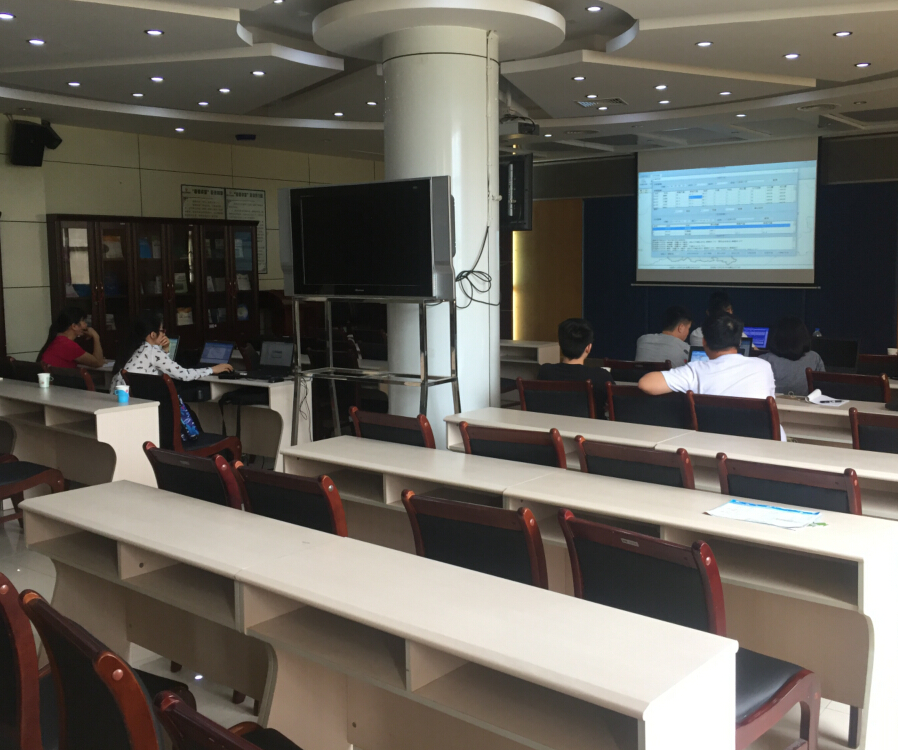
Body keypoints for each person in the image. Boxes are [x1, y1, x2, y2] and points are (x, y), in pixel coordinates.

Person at [638, 313, 777, 402]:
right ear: (739, 342)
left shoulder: (695, 370)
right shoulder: (764, 366)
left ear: (704, 342)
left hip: (713, 438)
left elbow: (646, 384)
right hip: (764, 439)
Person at [110, 310, 232, 390]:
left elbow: (157, 366)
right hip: (138, 403)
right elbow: (184, 375)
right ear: (153, 334)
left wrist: (165, 350)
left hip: (122, 400)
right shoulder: (152, 351)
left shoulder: (133, 347)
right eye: (162, 330)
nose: (164, 333)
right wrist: (213, 369)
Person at [538, 318, 614, 417]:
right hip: (591, 426)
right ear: (588, 347)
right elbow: (614, 405)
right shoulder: (601, 376)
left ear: (560, 344)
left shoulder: (545, 371)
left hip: (552, 425)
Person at [760, 316, 824, 396]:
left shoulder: (763, 360)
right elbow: (823, 390)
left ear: (774, 336)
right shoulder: (814, 358)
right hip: (806, 403)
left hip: (772, 403)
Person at [39, 307, 105, 369]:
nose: (86, 325)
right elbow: (98, 363)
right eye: (83, 321)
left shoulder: (59, 340)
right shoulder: (67, 344)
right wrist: (96, 336)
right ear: (74, 326)